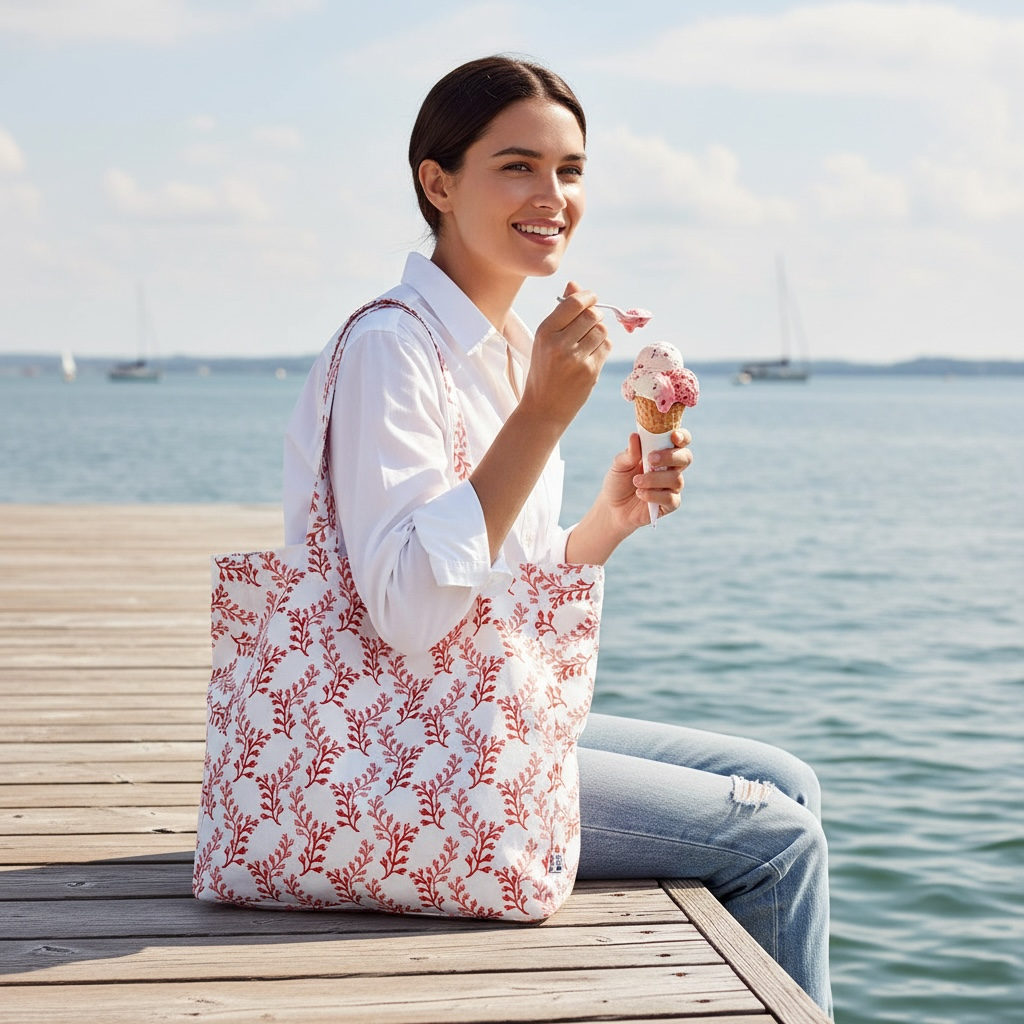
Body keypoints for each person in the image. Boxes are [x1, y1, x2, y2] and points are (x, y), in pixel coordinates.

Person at [284, 55, 832, 1015]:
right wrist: (541, 417)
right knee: (779, 840)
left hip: (466, 713)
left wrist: (603, 526)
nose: (554, 196)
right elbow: (410, 609)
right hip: (397, 752)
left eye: (571, 170)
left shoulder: (503, 351)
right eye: (518, 166)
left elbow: (500, 582)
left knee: (782, 776)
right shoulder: (390, 349)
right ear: (438, 182)